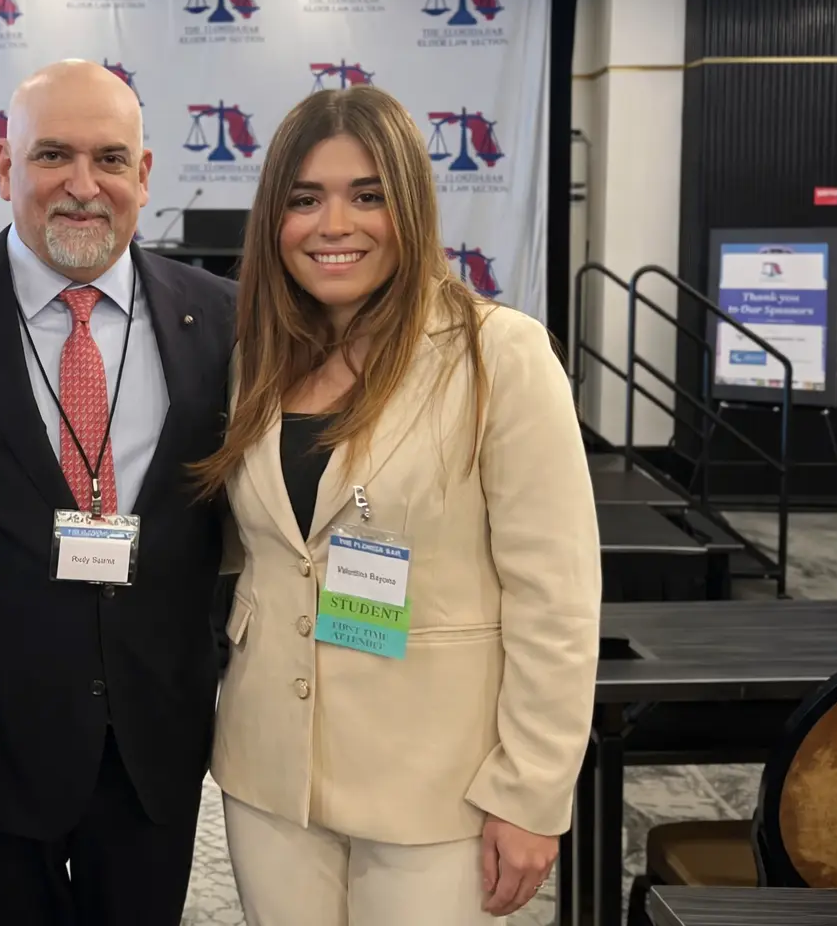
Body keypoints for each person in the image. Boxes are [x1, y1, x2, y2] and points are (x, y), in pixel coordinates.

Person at [196, 84, 600, 924]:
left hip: (436, 779)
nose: (333, 225)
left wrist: (531, 792)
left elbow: (556, 597)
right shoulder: (257, 362)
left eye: (367, 195)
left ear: (411, 206)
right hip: (272, 770)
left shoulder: (500, 354)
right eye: (305, 200)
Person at [0, 59, 236, 926]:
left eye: (111, 158)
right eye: (52, 157)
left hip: (155, 741)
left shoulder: (226, 315)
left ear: (145, 176)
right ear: (4, 169)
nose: (84, 186)